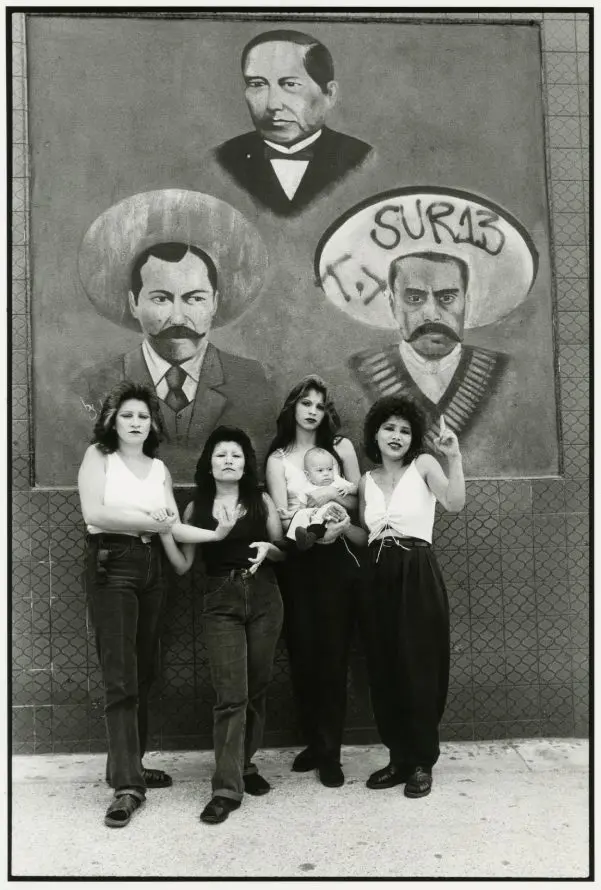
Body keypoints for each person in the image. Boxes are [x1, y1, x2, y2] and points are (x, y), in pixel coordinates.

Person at [77, 189, 276, 477]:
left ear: (214, 303)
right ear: (134, 304)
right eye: (161, 299)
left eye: (195, 298)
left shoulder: (254, 380)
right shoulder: (92, 385)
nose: (179, 317)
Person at [158, 426, 285, 825]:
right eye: (220, 454)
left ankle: (244, 765)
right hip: (220, 601)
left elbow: (283, 551)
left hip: (265, 597)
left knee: (256, 688)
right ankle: (226, 789)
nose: (229, 460)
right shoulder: (196, 508)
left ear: (246, 464)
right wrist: (165, 532)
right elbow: (183, 566)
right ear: (208, 464)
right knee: (231, 695)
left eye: (236, 454)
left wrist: (270, 549)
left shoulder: (261, 501)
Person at [78, 381, 181, 828]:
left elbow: (172, 523)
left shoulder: (159, 469)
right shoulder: (99, 457)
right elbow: (95, 513)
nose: (136, 422)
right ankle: (127, 786)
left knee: (144, 672)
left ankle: (130, 764)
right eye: (128, 415)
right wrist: (149, 521)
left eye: (144, 416)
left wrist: (216, 534)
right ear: (112, 421)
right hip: (112, 563)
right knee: (120, 677)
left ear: (153, 424)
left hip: (152, 566)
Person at [356, 395, 465, 798]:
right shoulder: (366, 481)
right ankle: (398, 758)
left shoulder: (424, 466)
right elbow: (365, 533)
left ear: (413, 437)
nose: (396, 436)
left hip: (417, 570)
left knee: (419, 666)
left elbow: (454, 503)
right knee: (384, 667)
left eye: (404, 430)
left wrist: (454, 457)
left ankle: (421, 762)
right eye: (389, 428)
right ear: (375, 434)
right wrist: (336, 526)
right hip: (377, 574)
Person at [265, 375, 364, 787]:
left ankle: (331, 753)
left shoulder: (341, 448)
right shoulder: (277, 459)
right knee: (303, 655)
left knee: (332, 655)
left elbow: (359, 499)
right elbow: (280, 514)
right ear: (293, 407)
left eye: (320, 405)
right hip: (298, 560)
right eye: (305, 403)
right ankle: (314, 741)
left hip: (336, 559)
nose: (312, 411)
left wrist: (329, 497)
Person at [348, 251, 508, 450]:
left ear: (467, 303)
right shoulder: (362, 368)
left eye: (447, 298)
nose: (432, 314)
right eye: (414, 298)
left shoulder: (501, 370)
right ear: (393, 305)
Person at [214, 29, 373, 216]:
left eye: (290, 84)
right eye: (257, 84)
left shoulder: (361, 158)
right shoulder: (222, 159)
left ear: (330, 94)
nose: (273, 105)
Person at [286, 446, 356, 550]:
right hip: (314, 515)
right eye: (320, 470)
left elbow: (356, 488)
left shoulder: (337, 481)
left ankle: (312, 536)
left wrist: (348, 489)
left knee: (326, 509)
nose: (326, 473)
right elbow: (302, 508)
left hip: (332, 517)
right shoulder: (306, 488)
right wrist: (290, 514)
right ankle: (290, 540)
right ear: (308, 475)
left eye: (330, 469)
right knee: (301, 514)